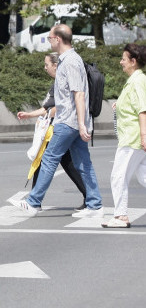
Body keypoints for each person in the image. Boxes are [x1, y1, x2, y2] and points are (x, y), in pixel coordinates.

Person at [17, 24, 103, 217]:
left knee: (49, 159)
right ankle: (95, 204)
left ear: (57, 39)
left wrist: (81, 124)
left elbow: (78, 94)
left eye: (49, 38)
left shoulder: (71, 61)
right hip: (72, 121)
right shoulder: (68, 60)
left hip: (68, 121)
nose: (48, 41)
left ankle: (34, 201)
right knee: (83, 163)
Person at [16, 52, 86, 205]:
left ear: (55, 65)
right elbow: (49, 108)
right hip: (62, 126)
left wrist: (36, 115)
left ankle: (33, 201)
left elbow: (56, 108)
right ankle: (90, 196)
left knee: (44, 159)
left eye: (47, 64)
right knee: (67, 163)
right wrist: (30, 115)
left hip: (60, 127)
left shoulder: (60, 83)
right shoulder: (57, 83)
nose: (45, 68)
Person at [102, 43, 146, 228]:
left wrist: (144, 135)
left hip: (133, 138)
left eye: (123, 59)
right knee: (144, 177)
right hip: (134, 137)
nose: (121, 62)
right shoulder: (136, 80)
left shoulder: (137, 81)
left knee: (118, 177)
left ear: (133, 62)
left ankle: (121, 216)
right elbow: (133, 106)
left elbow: (143, 109)